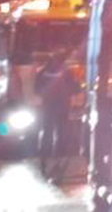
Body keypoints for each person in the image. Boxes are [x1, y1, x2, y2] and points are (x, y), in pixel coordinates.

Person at [34, 51, 79, 180]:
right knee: (60, 133)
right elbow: (74, 88)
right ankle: (57, 159)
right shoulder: (66, 72)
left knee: (46, 132)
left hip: (48, 107)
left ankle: (44, 158)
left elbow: (37, 90)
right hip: (62, 107)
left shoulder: (42, 72)